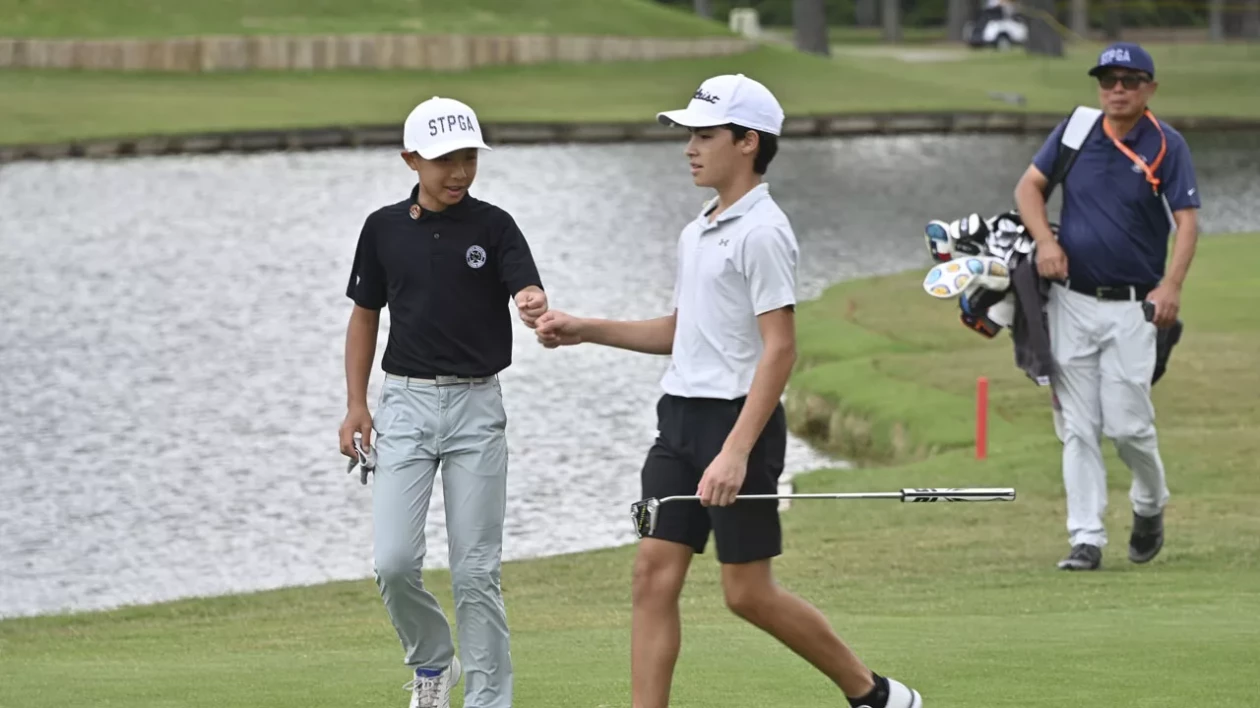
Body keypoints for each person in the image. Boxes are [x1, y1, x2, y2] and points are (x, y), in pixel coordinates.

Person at [534, 74, 922, 708]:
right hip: (678, 424)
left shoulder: (763, 231)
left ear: (748, 142)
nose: (690, 146)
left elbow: (781, 347)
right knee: (651, 575)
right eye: (689, 134)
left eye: (705, 135)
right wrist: (587, 329)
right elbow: (687, 332)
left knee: (746, 593)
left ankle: (873, 693)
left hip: (738, 426)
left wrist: (736, 451)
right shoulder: (700, 229)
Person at [338, 95, 548, 708]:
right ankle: (433, 663)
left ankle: (488, 701)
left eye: (468, 158)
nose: (458, 172)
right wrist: (357, 404)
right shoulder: (381, 229)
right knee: (395, 562)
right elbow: (364, 318)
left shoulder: (495, 225)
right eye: (444, 161)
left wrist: (532, 300)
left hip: (477, 410)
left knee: (476, 572)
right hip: (403, 406)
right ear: (411, 159)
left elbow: (524, 282)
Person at [1013, 42, 1201, 571]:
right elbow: (1030, 187)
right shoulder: (1076, 130)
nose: (1117, 89)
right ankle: (1086, 537)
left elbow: (1186, 220)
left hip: (1133, 308)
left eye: (1129, 80)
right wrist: (1045, 243)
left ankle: (1149, 503)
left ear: (1149, 89)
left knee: (1128, 427)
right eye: (1108, 79)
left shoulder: (1167, 145)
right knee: (1078, 425)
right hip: (1071, 301)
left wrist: (1172, 285)